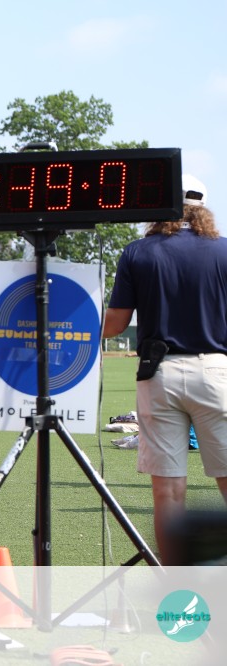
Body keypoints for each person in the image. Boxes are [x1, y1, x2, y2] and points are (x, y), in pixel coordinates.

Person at [102, 174, 227, 562]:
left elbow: (115, 325)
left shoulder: (138, 252)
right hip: (216, 372)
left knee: (169, 491)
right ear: (202, 206)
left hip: (159, 373)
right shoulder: (224, 250)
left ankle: (176, 582)